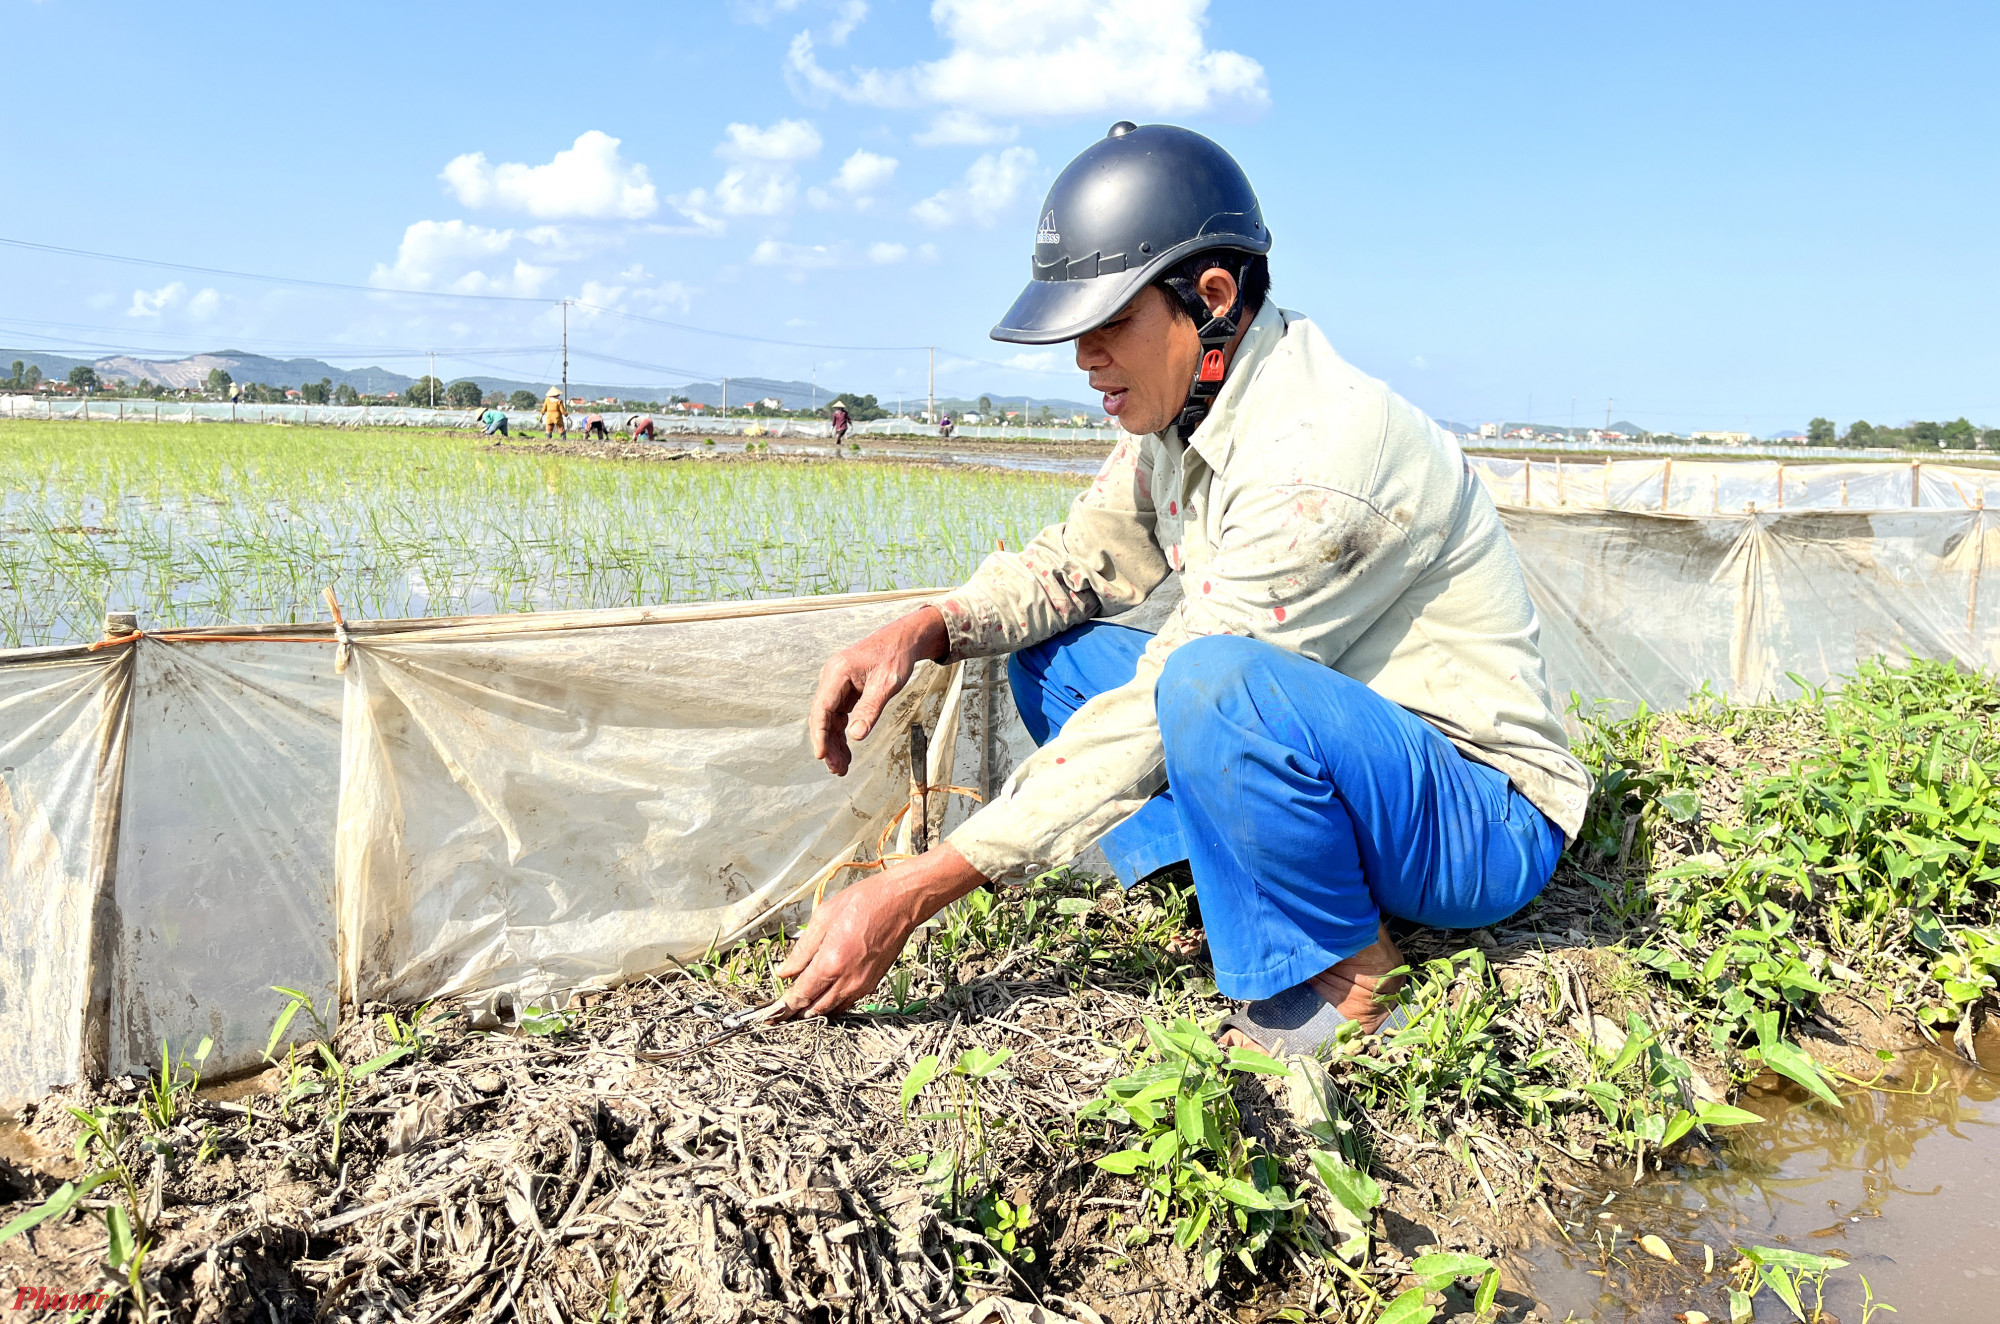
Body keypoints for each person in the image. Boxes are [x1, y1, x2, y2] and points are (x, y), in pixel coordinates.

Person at [780, 123, 1588, 1057]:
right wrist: (929, 626)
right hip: (1341, 748)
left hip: (1471, 813)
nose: (1084, 360)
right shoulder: (1181, 414)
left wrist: (910, 891)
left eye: (1108, 324)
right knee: (1055, 652)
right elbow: (1079, 561)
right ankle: (1219, 884)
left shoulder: (1319, 459)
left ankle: (1349, 973)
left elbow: (1167, 704)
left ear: (1210, 301)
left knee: (1205, 684)